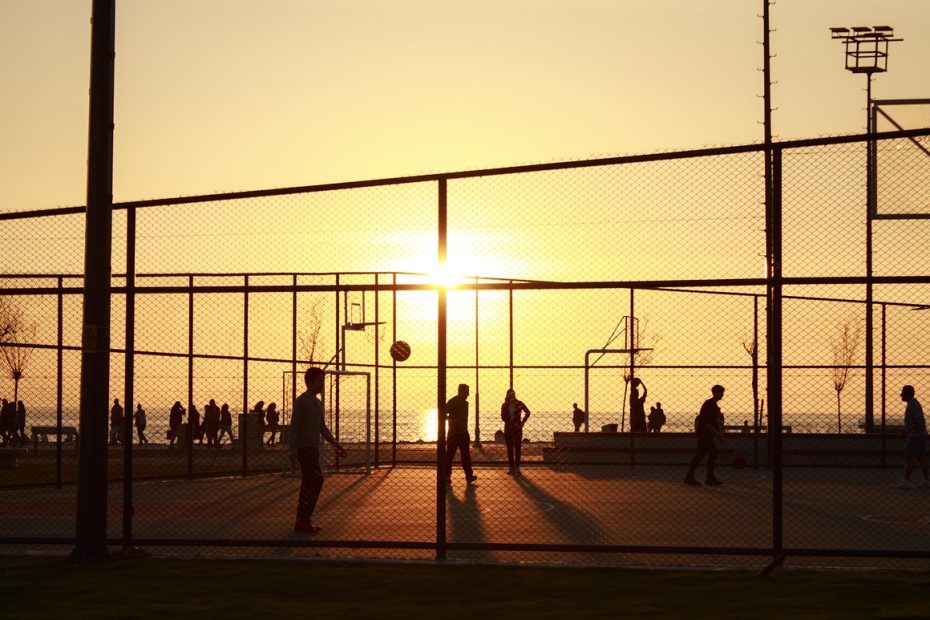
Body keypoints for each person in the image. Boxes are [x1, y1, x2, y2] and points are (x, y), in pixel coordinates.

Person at [289, 367, 347, 534]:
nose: (322, 385)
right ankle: (303, 519)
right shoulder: (301, 402)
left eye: (323, 381)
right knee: (315, 480)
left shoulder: (318, 404)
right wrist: (292, 449)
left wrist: (337, 444)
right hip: (303, 448)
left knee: (311, 481)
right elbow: (294, 427)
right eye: (319, 381)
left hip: (313, 449)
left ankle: (303, 519)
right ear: (310, 382)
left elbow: (322, 428)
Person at [684, 385, 725, 486]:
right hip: (705, 434)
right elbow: (707, 422)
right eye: (721, 393)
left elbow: (712, 422)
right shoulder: (710, 404)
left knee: (706, 454)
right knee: (705, 454)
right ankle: (704, 478)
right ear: (716, 393)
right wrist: (717, 435)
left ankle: (704, 477)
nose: (722, 395)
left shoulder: (712, 405)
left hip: (706, 434)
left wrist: (717, 433)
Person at [897, 385, 930, 489]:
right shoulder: (913, 404)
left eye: (903, 392)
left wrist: (915, 432)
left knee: (910, 458)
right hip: (918, 435)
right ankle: (926, 480)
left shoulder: (912, 404)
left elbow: (918, 419)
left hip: (915, 436)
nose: (901, 394)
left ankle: (906, 482)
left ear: (907, 393)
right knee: (921, 458)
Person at [445, 383, 478, 484]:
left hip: (463, 432)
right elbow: (443, 413)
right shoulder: (453, 401)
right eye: (466, 391)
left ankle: (468, 475)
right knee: (450, 455)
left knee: (465, 455)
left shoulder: (465, 403)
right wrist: (453, 420)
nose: (468, 393)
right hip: (454, 433)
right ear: (461, 391)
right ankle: (447, 475)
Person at [500, 388, 531, 476]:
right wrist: (512, 423)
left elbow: (528, 412)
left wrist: (522, 423)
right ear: (507, 395)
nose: (511, 396)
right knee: (509, 449)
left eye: (513, 394)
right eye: (510, 395)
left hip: (517, 429)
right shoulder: (504, 405)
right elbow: (503, 417)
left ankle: (517, 468)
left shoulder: (519, 403)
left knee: (517, 448)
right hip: (509, 428)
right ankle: (511, 468)